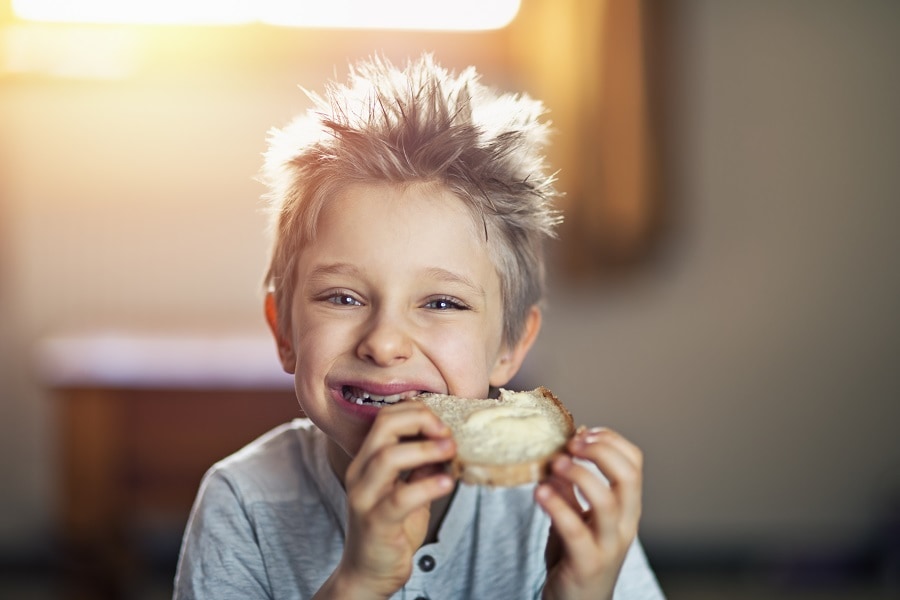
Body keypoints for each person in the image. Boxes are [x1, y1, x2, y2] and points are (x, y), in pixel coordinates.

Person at [173, 53, 664, 600]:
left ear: (510, 346)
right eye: (343, 296)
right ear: (283, 331)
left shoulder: (556, 509)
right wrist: (359, 584)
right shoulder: (243, 502)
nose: (383, 343)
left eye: (442, 303)